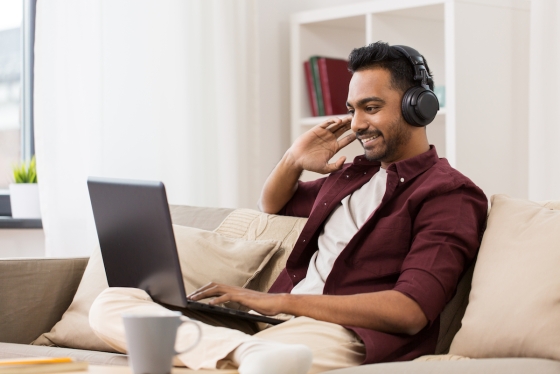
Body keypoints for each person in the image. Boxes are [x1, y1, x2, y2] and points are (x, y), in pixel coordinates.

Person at [89, 42, 488, 374]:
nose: (357, 124)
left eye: (371, 107)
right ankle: (245, 353)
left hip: (345, 333)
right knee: (114, 303)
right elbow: (273, 204)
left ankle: (241, 354)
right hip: (276, 327)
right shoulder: (352, 175)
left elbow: (410, 310)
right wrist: (294, 159)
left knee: (269, 354)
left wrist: (278, 301)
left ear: (419, 107)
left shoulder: (449, 194)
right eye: (352, 110)